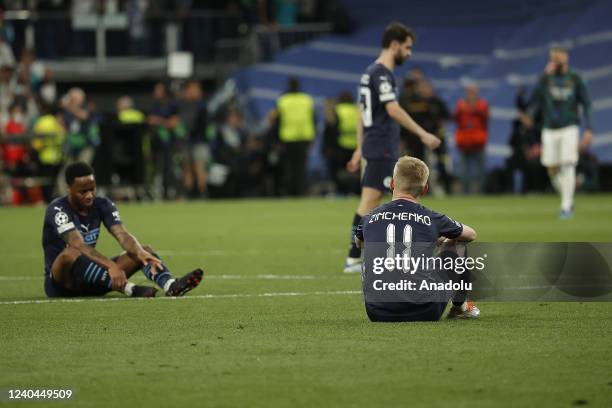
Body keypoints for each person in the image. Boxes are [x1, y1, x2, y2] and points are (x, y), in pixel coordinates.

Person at [343, 22, 441, 273]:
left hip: (375, 144)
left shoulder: (370, 72)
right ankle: (355, 257)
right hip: (381, 145)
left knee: (379, 200)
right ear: (395, 45)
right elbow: (392, 109)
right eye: (407, 47)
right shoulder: (382, 74)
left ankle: (373, 255)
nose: (409, 53)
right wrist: (423, 133)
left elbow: (362, 114)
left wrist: (358, 148)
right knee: (375, 199)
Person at [42, 161, 204, 298]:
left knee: (144, 250)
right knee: (71, 253)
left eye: (92, 189)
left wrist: (139, 252)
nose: (89, 195)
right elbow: (77, 244)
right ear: (68, 188)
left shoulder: (102, 204)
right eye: (82, 191)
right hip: (62, 284)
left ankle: (170, 285)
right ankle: (130, 289)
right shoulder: (58, 209)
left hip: (94, 279)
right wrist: (111, 266)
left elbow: (122, 235)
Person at [355, 156, 480, 321]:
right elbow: (471, 234)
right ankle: (460, 307)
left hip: (378, 312)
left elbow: (360, 244)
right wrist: (439, 238)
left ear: (392, 184)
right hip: (427, 309)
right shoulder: (432, 218)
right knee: (457, 245)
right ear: (425, 189)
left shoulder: (369, 217)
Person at [528, 46, 593, 219]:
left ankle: (565, 207)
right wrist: (543, 76)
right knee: (551, 167)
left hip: (569, 126)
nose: (555, 61)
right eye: (553, 58)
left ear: (566, 58)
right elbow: (532, 100)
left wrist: (589, 128)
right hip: (549, 127)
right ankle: (568, 197)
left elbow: (587, 104)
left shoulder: (575, 78)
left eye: (558, 57)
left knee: (568, 163)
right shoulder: (546, 79)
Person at [274, 76, 316, 196]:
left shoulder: (282, 100)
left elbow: (278, 121)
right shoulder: (307, 100)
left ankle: (290, 192)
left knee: (289, 167)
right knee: (301, 167)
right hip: (304, 138)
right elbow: (313, 119)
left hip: (287, 138)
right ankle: (300, 192)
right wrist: (312, 138)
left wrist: (277, 140)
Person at [454, 84, 489, 194]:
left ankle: (482, 192)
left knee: (480, 170)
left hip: (478, 141)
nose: (471, 95)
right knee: (464, 171)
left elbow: (484, 117)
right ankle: (466, 193)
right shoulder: (460, 104)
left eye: (473, 92)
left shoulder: (482, 104)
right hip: (464, 142)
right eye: (469, 92)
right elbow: (457, 119)